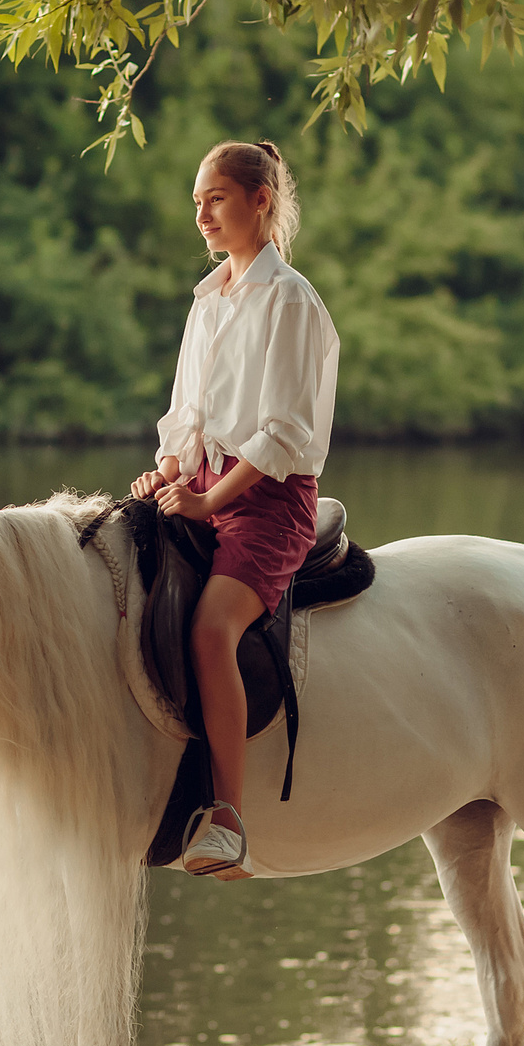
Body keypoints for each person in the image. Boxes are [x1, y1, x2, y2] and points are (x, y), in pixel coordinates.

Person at [129, 140, 341, 880]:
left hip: (267, 500)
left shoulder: (291, 300)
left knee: (212, 626)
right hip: (199, 483)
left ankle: (227, 818)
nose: (202, 216)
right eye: (197, 202)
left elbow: (283, 432)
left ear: (260, 200)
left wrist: (207, 499)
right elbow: (187, 416)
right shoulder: (207, 300)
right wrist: (165, 474)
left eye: (215, 199)